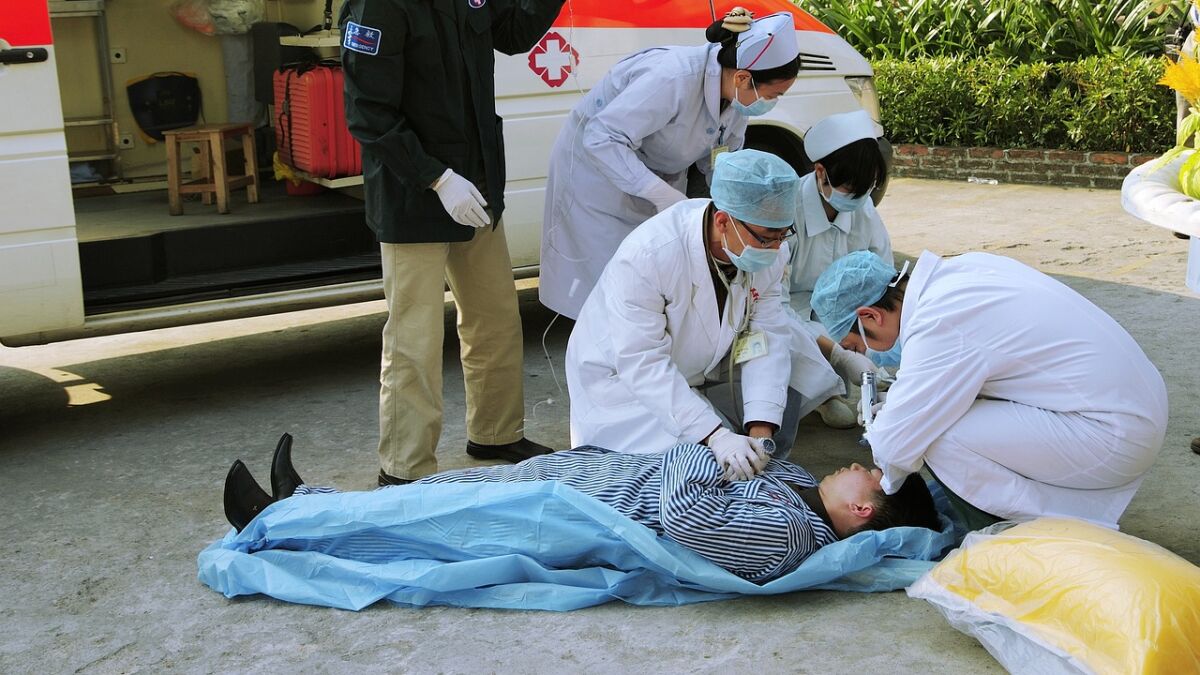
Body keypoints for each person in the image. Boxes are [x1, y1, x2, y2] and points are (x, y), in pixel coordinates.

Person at [339, 0, 566, 485]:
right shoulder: (378, 5)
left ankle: (495, 432)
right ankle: (405, 467)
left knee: (495, 319)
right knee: (414, 338)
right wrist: (437, 179)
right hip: (414, 196)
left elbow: (514, 33)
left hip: (476, 188)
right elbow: (367, 112)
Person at [221, 433, 942, 584]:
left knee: (428, 523)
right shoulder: (796, 485)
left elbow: (688, 518)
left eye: (868, 474)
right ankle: (305, 502)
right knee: (430, 497)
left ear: (863, 511)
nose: (857, 464)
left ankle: (276, 521)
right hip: (587, 475)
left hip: (577, 511)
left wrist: (705, 449)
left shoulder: (786, 532)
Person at [809, 250, 1169, 529]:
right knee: (932, 416)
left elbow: (895, 446)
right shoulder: (960, 272)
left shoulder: (938, 322)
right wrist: (900, 404)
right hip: (1131, 406)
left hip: (1113, 433)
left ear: (870, 316)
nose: (865, 353)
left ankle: (1028, 533)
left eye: (857, 345)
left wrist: (885, 436)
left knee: (935, 436)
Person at [566, 149, 829, 479]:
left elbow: (767, 336)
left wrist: (761, 430)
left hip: (691, 366)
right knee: (697, 469)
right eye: (766, 238)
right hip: (621, 381)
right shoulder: (649, 255)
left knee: (790, 365)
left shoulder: (769, 250)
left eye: (782, 234)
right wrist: (716, 436)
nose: (776, 248)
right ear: (723, 221)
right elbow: (642, 362)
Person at [539, 8, 803, 319]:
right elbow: (602, 137)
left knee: (654, 280)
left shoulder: (737, 97)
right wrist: (661, 195)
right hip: (598, 180)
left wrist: (737, 204)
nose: (772, 102)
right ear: (743, 77)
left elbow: (723, 158)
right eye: (773, 94)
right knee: (606, 289)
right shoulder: (673, 77)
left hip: (658, 176)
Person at [784, 109, 894, 430]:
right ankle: (823, 396)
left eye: (866, 189)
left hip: (839, 313)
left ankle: (842, 384)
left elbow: (884, 278)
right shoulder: (787, 210)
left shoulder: (863, 208)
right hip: (788, 308)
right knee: (781, 337)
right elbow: (770, 302)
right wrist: (839, 354)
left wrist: (872, 334)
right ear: (820, 173)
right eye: (850, 189)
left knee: (869, 346)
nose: (858, 199)